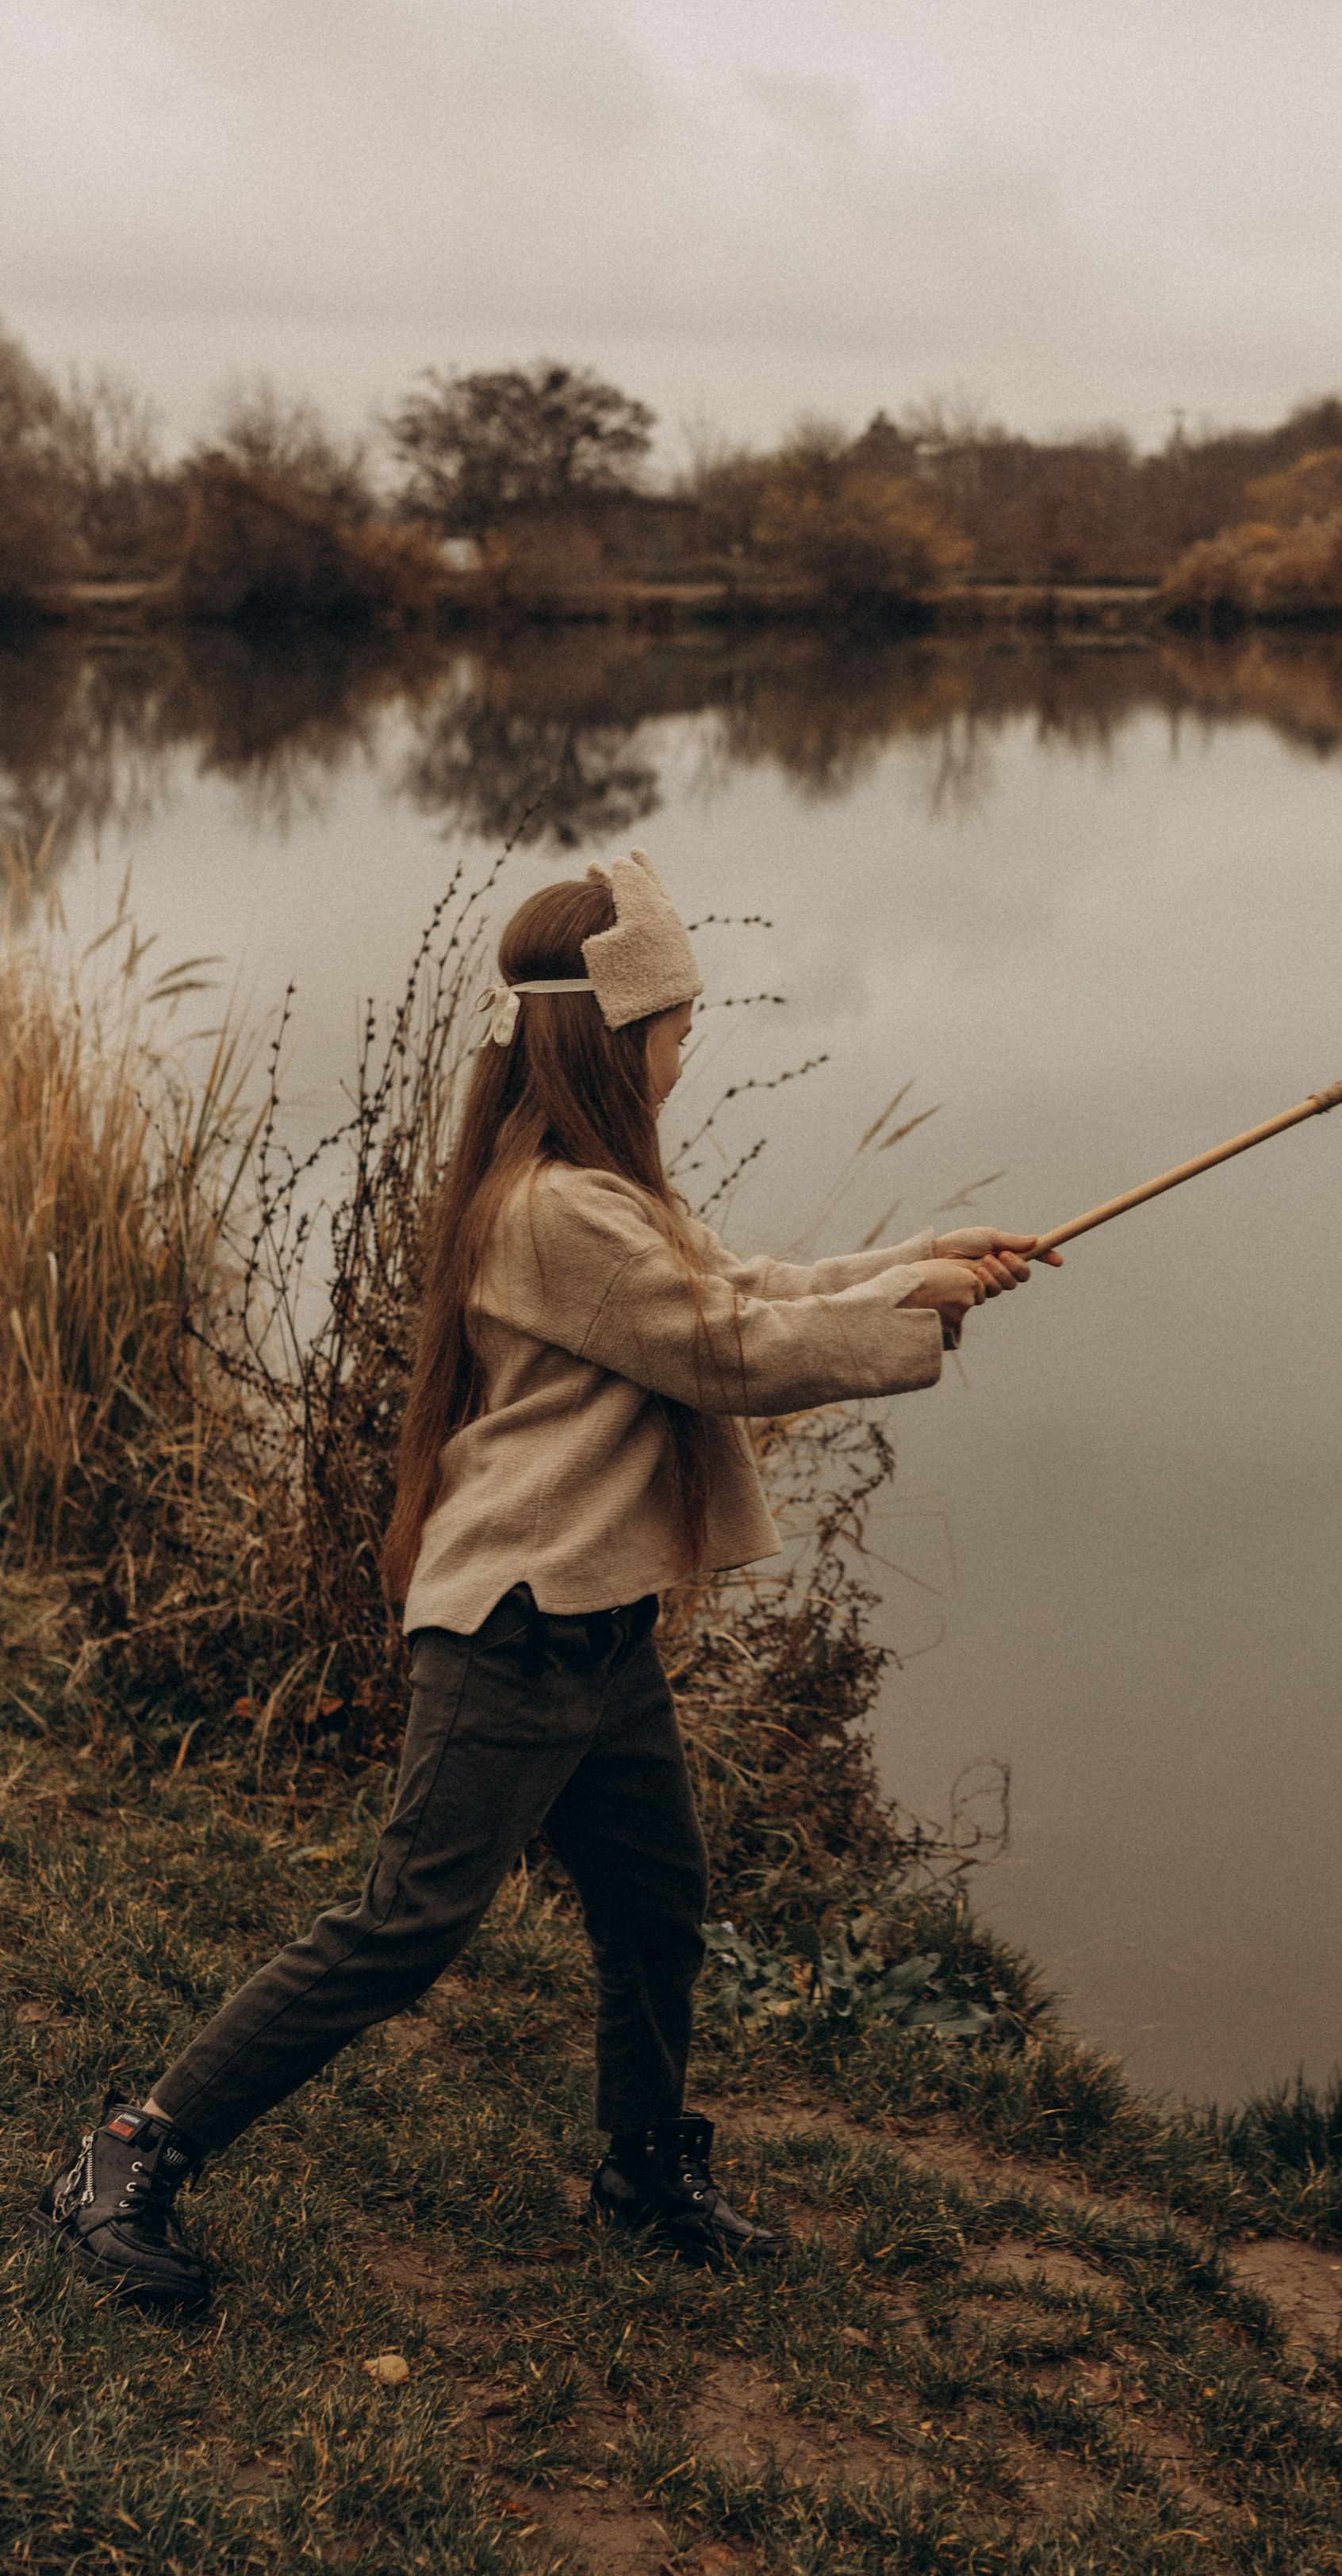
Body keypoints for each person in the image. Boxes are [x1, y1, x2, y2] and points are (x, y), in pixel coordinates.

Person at [36, 849, 1052, 2314]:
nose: (689, 1053)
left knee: (658, 1903)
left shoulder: (602, 1192)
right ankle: (128, 2154)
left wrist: (923, 1255)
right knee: (402, 1930)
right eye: (678, 1028)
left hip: (600, 1637)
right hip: (514, 1634)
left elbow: (737, 1289)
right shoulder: (553, 1211)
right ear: (610, 1037)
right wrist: (914, 1318)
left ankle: (645, 2171)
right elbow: (729, 1354)